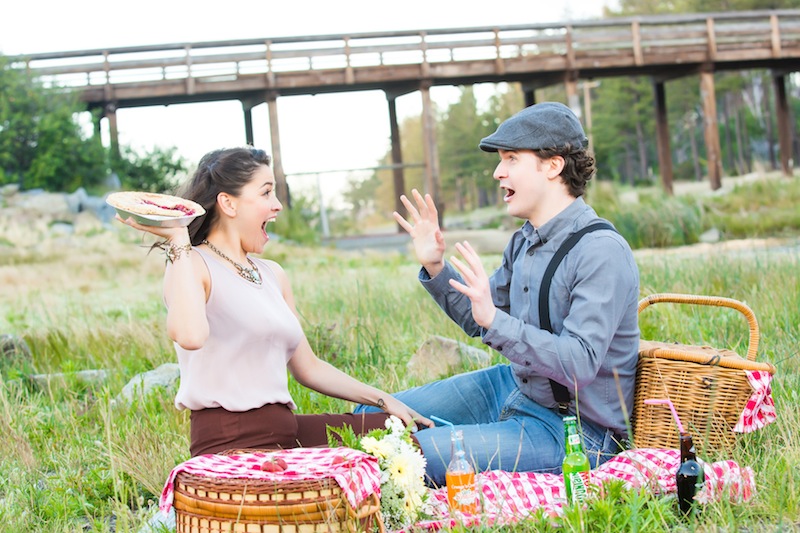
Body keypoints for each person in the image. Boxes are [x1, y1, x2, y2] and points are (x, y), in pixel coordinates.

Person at [355, 101, 640, 487]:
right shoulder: (523, 241)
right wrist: (436, 266)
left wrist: (496, 320)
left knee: (404, 458)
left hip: (575, 430)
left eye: (510, 158)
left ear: (553, 165)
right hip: (515, 387)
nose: (497, 172)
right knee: (368, 419)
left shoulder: (601, 251)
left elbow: (579, 364)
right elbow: (480, 318)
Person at [117, 147, 431, 457]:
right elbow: (190, 336)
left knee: (394, 432)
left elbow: (308, 368)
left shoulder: (272, 274)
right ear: (228, 203)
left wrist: (384, 400)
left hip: (284, 431)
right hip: (230, 444)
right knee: (393, 455)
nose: (278, 205)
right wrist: (178, 240)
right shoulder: (190, 263)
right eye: (266, 193)